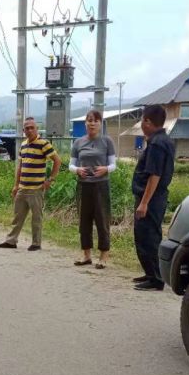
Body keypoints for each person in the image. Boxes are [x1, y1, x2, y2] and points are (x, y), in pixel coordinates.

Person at [0, 117, 60, 251]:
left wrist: (50, 179)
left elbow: (57, 161)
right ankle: (11, 241)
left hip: (36, 189)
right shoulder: (23, 145)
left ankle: (36, 243)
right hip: (22, 188)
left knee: (36, 217)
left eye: (32, 127)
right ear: (23, 130)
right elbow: (20, 167)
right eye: (27, 128)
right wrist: (16, 185)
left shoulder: (44, 144)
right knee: (17, 216)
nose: (30, 130)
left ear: (37, 129)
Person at [131, 104, 175, 291]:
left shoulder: (157, 144)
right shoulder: (163, 140)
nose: (141, 123)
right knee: (147, 236)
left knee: (147, 237)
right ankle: (151, 273)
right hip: (154, 198)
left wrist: (144, 203)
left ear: (148, 121)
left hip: (151, 199)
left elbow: (154, 175)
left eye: (142, 119)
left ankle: (156, 278)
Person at [70, 109, 116, 268]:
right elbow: (71, 164)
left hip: (100, 185)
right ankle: (86, 255)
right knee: (84, 221)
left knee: (102, 220)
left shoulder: (107, 141)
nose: (92, 123)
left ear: (100, 123)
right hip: (83, 185)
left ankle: (103, 256)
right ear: (85, 123)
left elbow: (113, 164)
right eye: (89, 120)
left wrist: (106, 169)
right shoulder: (78, 142)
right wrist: (77, 170)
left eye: (95, 120)